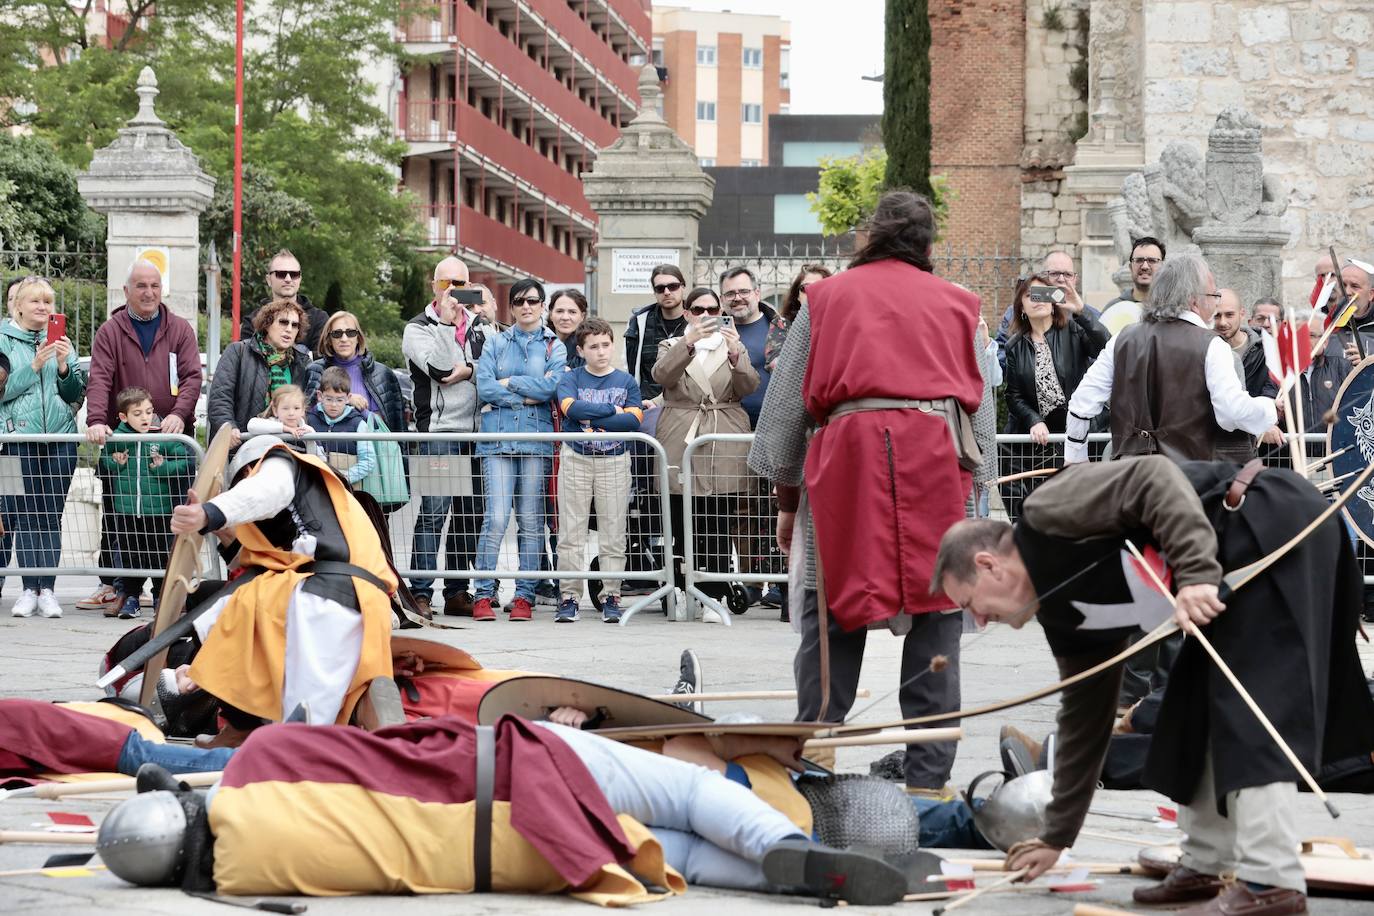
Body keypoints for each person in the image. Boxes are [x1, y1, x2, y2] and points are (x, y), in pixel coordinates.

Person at [934, 456, 1374, 915]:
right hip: (1226, 572)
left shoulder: (1048, 511)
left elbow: (1153, 477)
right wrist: (1056, 836)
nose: (981, 622)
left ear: (988, 565)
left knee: (1252, 709)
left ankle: (1272, 882)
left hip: (1268, 527)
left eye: (971, 605)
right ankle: (1208, 861)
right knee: (1189, 710)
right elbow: (1087, 722)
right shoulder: (1062, 616)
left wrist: (1197, 574)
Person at [96, 715, 908, 906]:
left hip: (521, 852)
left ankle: (790, 882)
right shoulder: (266, 755)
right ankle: (784, 844)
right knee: (693, 794)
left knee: (678, 856)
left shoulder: (242, 879)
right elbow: (399, 740)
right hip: (519, 767)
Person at [749, 190, 984, 798]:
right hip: (934, 460)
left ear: (871, 237)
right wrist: (979, 495)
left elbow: (784, 408)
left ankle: (814, 758)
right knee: (938, 615)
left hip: (849, 458)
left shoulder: (824, 298)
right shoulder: (960, 303)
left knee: (831, 612)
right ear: (927, 244)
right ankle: (928, 784)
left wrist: (786, 499)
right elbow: (976, 411)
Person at [169, 435, 398, 745]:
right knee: (324, 706)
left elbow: (267, 491)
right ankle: (245, 728)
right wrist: (222, 526)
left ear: (251, 467)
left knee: (301, 732)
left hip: (323, 598)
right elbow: (260, 562)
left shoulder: (281, 462)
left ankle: (259, 736)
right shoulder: (326, 501)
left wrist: (209, 512)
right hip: (361, 606)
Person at [1064, 254, 1278, 466]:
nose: (1215, 304)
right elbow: (1232, 413)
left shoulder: (1123, 338)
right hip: (1188, 479)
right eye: (1214, 296)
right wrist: (1269, 408)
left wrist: (1075, 458)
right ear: (1194, 300)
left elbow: (1082, 403)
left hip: (1130, 477)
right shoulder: (1212, 345)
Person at [82, 259, 203, 615]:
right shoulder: (110, 331)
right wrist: (96, 422)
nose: (148, 293)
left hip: (169, 440)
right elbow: (100, 379)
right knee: (122, 520)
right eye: (141, 286)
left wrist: (179, 415)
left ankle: (170, 589)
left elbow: (192, 377)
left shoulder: (180, 329)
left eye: (154, 286)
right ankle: (123, 588)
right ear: (127, 291)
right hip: (124, 441)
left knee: (171, 521)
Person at [653, 287, 758, 607]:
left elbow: (748, 386)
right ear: (686, 313)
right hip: (681, 433)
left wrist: (736, 355)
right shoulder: (671, 344)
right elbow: (661, 375)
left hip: (722, 433)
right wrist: (689, 342)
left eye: (713, 310)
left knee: (720, 518)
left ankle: (715, 591)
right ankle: (684, 586)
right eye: (697, 310)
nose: (706, 316)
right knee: (683, 515)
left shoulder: (733, 346)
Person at [472, 279, 566, 621]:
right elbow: (484, 387)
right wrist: (526, 396)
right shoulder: (495, 342)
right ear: (511, 307)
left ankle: (524, 595)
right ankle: (483, 593)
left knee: (530, 521)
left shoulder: (555, 346)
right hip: (496, 440)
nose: (526, 306)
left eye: (533, 301)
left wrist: (509, 383)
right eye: (520, 301)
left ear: (542, 305)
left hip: (535, 441)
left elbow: (551, 387)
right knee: (495, 519)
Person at [403, 256, 489, 618]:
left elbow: (494, 373)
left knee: (470, 515)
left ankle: (457, 590)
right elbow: (439, 369)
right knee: (435, 512)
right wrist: (444, 323)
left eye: (459, 284)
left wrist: (468, 370)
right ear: (434, 286)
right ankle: (420, 591)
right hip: (440, 433)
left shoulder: (481, 325)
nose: (452, 291)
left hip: (477, 434)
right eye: (445, 284)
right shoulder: (419, 327)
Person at [0, 277, 86, 620]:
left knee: (51, 514)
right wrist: (33, 366)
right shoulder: (3, 340)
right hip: (13, 442)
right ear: (17, 305)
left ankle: (46, 588)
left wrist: (64, 366)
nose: (43, 308)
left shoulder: (62, 342)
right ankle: (26, 589)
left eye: (48, 302)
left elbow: (75, 394)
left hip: (60, 441)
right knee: (19, 515)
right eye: (35, 301)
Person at [999, 273, 1109, 521]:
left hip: (1076, 429)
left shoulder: (1073, 330)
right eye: (1030, 295)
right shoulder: (1015, 345)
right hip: (1042, 436)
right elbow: (1014, 395)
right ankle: (1023, 528)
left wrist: (1081, 311)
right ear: (1021, 307)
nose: (1037, 300)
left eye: (1043, 294)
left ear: (1053, 301)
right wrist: (1033, 419)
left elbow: (1106, 346)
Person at [554, 318, 642, 624]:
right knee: (571, 529)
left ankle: (611, 594)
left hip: (615, 459)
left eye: (606, 345)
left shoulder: (626, 382)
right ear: (581, 350)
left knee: (613, 529)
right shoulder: (572, 378)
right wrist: (611, 412)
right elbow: (571, 409)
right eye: (593, 347)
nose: (601, 352)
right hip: (577, 457)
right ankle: (569, 595)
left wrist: (592, 420)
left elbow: (633, 422)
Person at [98, 386, 192, 621]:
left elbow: (186, 464)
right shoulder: (117, 438)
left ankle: (161, 596)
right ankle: (131, 596)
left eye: (149, 412)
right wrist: (116, 463)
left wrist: (164, 468)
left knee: (160, 553)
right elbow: (103, 465)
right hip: (127, 509)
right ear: (123, 416)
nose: (145, 417)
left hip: (158, 511)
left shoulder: (162, 436)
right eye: (138, 413)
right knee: (130, 555)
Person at [720, 267, 782, 610]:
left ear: (757, 293)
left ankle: (779, 581)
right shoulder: (717, 332)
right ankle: (751, 581)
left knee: (777, 506)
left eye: (743, 291)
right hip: (733, 431)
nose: (738, 298)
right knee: (743, 511)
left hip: (774, 429)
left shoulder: (777, 328)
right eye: (730, 293)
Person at [207, 298, 311, 447]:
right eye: (283, 322)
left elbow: (307, 408)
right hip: (241, 447)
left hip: (289, 448)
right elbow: (220, 397)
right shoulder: (238, 351)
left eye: (295, 325)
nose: (289, 329)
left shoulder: (302, 361)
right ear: (267, 325)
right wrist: (228, 427)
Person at [995, 251, 1103, 372]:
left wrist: (1082, 312)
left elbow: (1104, 353)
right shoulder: (1017, 312)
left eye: (1068, 274)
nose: (1061, 279)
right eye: (1055, 273)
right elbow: (1001, 357)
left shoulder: (1089, 315)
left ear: (1075, 279)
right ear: (1042, 277)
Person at [303, 311, 405, 436]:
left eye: (350, 333)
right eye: (337, 334)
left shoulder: (382, 373)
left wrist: (360, 410)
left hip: (369, 450)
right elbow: (305, 416)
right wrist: (346, 400)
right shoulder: (314, 370)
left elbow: (386, 425)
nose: (344, 339)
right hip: (322, 450)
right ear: (328, 339)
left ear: (358, 338)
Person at [1211, 288, 1282, 463]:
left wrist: (1265, 420)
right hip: (1213, 444)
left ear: (1242, 313)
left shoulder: (1267, 349)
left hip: (1255, 448)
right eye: (1216, 315)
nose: (1223, 322)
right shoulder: (1205, 349)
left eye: (1229, 315)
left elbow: (1271, 389)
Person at [1307, 261, 1373, 425]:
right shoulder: (1320, 325)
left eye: (1355, 286)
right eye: (1343, 285)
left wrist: (1369, 362)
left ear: (1371, 294)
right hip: (1328, 422)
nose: (1348, 292)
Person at [238, 250, 329, 355]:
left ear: (300, 279)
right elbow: (247, 361)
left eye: (294, 274)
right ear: (268, 280)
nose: (288, 279)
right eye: (281, 274)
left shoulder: (319, 319)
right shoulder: (252, 320)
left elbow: (321, 361)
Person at [624, 264, 688, 402]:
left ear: (683, 287)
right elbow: (630, 367)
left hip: (686, 405)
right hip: (647, 405)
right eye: (660, 288)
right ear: (654, 292)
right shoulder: (639, 322)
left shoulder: (696, 319)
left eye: (673, 286)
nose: (666, 292)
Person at [304, 367, 377, 486]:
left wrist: (344, 478)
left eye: (339, 400)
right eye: (328, 399)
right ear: (319, 396)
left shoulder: (358, 424)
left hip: (348, 485)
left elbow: (368, 460)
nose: (334, 405)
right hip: (314, 483)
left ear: (348, 398)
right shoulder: (308, 419)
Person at [763, 264, 831, 375]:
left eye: (819, 287)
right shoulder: (782, 324)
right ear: (797, 296)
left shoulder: (839, 324)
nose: (811, 293)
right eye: (805, 288)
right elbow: (775, 365)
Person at [1104, 236, 1166, 308]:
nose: (1145, 266)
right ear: (1130, 267)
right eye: (1139, 260)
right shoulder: (1114, 309)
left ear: (1163, 267)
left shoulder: (1173, 310)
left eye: (1152, 260)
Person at [245, 384, 312, 446]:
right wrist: (286, 429)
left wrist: (309, 437)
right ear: (275, 411)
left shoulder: (307, 429)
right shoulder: (271, 423)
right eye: (285, 408)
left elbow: (318, 453)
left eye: (296, 408)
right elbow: (252, 425)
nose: (291, 413)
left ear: (303, 410)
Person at [547, 288, 588, 370]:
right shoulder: (538, 342)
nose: (565, 317)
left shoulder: (588, 347)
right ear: (551, 315)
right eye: (559, 311)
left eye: (572, 312)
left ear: (582, 316)